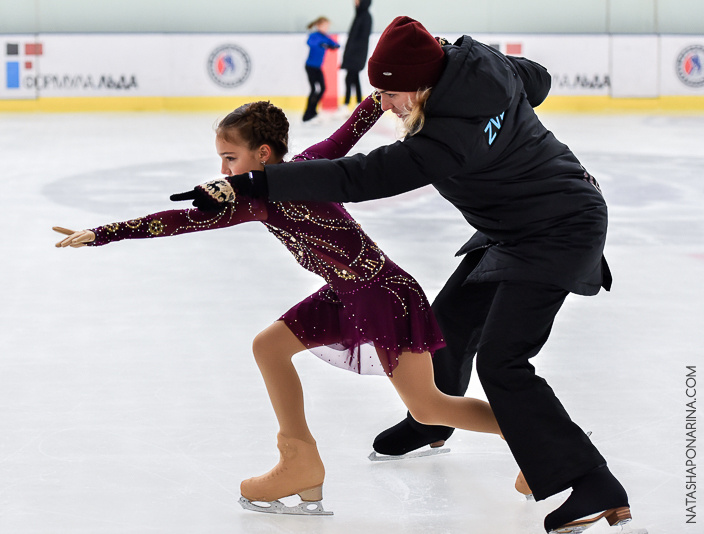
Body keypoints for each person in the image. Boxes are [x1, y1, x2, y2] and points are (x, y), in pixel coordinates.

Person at [170, 16, 634, 534]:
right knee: (449, 325)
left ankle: (591, 481)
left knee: (504, 363)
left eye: (391, 93)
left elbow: (359, 175)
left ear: (423, 83)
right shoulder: (480, 64)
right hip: (519, 223)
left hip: (558, 230)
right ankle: (432, 417)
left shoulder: (447, 139)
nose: (384, 105)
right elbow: (539, 79)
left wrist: (256, 182)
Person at [55, 96, 509, 516]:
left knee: (429, 408)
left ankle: (540, 441)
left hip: (382, 294)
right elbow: (184, 218)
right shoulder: (272, 189)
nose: (224, 168)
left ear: (264, 155)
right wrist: (104, 232)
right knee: (269, 347)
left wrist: (389, 89)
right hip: (345, 292)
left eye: (230, 158)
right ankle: (299, 462)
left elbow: (354, 126)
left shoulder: (285, 184)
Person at [303, 16, 339, 122]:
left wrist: (332, 46)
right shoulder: (314, 36)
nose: (326, 28)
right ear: (318, 25)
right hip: (310, 67)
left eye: (327, 26)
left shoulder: (325, 37)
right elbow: (310, 43)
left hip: (318, 67)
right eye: (325, 26)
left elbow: (336, 44)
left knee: (322, 88)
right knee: (314, 89)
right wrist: (321, 44)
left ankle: (312, 111)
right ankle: (307, 114)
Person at [340, 0, 372, 113]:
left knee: (349, 79)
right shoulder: (359, 16)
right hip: (353, 54)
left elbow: (360, 40)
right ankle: (359, 103)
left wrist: (350, 55)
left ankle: (346, 104)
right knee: (354, 78)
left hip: (356, 55)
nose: (355, 2)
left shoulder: (365, 17)